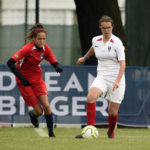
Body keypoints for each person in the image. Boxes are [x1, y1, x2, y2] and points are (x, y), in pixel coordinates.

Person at [7, 23, 63, 138]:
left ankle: (51, 134)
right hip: (24, 82)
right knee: (39, 111)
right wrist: (22, 78)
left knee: (46, 106)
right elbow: (10, 62)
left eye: (44, 39)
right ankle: (33, 115)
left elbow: (53, 61)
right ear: (33, 39)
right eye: (39, 39)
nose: (42, 41)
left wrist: (57, 67)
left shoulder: (45, 49)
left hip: (37, 78)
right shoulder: (27, 49)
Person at [75, 15, 126, 139]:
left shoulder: (117, 42)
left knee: (112, 112)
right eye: (104, 28)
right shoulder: (96, 40)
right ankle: (89, 130)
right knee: (91, 97)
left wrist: (117, 81)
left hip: (116, 79)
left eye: (109, 27)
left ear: (112, 27)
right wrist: (85, 57)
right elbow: (94, 48)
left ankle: (111, 132)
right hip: (102, 77)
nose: (106, 30)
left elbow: (123, 63)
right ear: (100, 28)